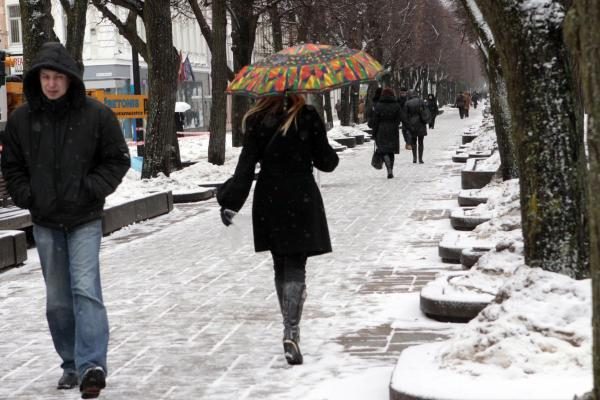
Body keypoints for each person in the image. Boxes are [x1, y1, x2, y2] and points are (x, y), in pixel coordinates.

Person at [0, 42, 130, 399]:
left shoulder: (96, 115)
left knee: (85, 290)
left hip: (85, 217)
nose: (52, 84)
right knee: (58, 300)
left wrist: (91, 188)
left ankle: (92, 366)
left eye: (58, 77)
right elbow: (11, 167)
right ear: (37, 79)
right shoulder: (23, 120)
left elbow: (117, 160)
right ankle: (71, 363)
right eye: (46, 77)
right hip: (45, 221)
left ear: (70, 79)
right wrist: (29, 195)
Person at [216, 94, 339, 365]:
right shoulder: (307, 117)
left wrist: (230, 202)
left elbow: (246, 168)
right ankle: (291, 330)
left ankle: (289, 326)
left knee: (280, 264)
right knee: (296, 264)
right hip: (301, 197)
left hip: (269, 199)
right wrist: (320, 135)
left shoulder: (258, 119)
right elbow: (327, 163)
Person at [368, 88, 403, 179]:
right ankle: (390, 170)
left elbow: (374, 121)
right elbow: (400, 118)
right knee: (391, 151)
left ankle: (389, 170)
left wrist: (373, 129)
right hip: (393, 131)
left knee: (383, 150)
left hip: (381, 130)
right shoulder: (396, 105)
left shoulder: (379, 106)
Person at [404, 90, 430, 164]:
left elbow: (405, 115)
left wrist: (407, 124)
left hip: (412, 124)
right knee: (421, 142)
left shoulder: (407, 103)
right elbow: (426, 111)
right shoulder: (421, 101)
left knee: (413, 141)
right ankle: (420, 159)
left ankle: (414, 158)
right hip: (421, 123)